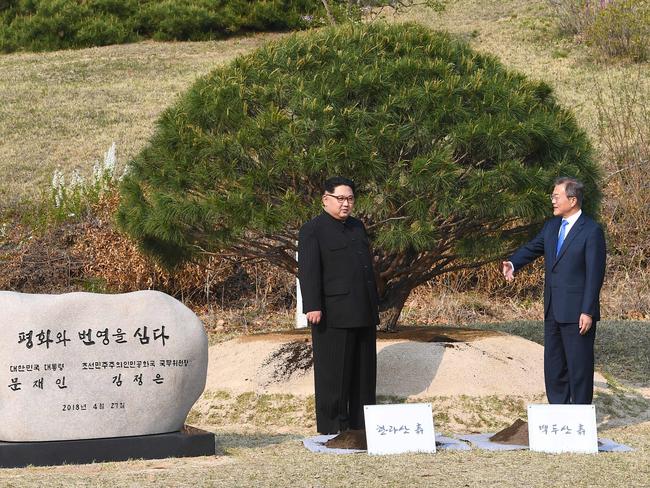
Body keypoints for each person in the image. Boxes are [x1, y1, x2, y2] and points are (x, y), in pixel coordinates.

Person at [502, 177, 606, 404]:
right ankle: (558, 415)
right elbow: (533, 247)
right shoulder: (552, 227)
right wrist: (513, 263)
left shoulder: (591, 230)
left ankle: (579, 418)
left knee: (579, 368)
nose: (553, 201)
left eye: (556, 197)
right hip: (552, 310)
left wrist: (587, 310)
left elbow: (594, 274)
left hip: (578, 313)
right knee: (554, 365)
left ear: (573, 199)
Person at [298, 176, 379, 434]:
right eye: (340, 198)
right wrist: (312, 305)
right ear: (326, 200)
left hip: (363, 309)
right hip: (332, 312)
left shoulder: (357, 227)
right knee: (334, 374)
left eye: (350, 199)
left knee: (363, 373)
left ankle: (361, 426)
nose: (346, 204)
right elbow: (308, 270)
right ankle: (333, 427)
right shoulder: (313, 229)